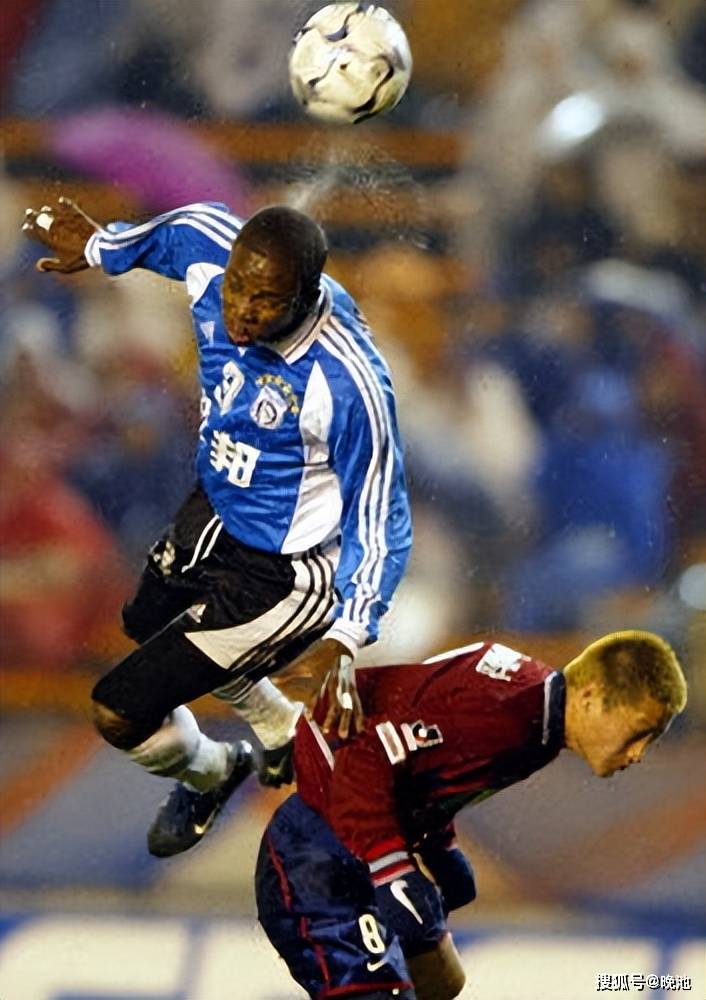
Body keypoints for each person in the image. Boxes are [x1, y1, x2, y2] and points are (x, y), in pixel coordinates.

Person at [22, 196, 412, 857]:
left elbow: (382, 517)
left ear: (305, 297)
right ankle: (277, 727)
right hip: (220, 502)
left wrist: (348, 634)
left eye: (266, 301)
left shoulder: (347, 384)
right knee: (146, 624)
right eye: (237, 288)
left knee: (118, 711)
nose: (241, 310)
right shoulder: (214, 248)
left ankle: (211, 771)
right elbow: (179, 231)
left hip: (289, 571)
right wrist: (103, 248)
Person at [256, 630, 687, 1000]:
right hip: (317, 852)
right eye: (640, 732)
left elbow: (430, 759)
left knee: (442, 981)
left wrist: (439, 846)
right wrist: (392, 868)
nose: (638, 753)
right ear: (591, 696)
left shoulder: (537, 712)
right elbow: (365, 756)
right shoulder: (508, 714)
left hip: (363, 833)